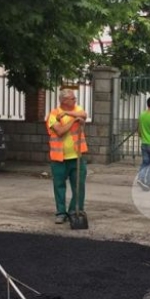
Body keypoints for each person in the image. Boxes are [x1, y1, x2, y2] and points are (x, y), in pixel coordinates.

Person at [46, 88, 88, 224]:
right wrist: (74, 121)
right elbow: (60, 131)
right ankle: (61, 212)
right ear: (64, 100)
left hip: (77, 156)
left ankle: (75, 211)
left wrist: (68, 114)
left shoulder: (76, 109)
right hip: (59, 159)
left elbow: (83, 114)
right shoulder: (53, 114)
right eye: (73, 98)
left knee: (79, 185)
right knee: (59, 186)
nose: (75, 100)